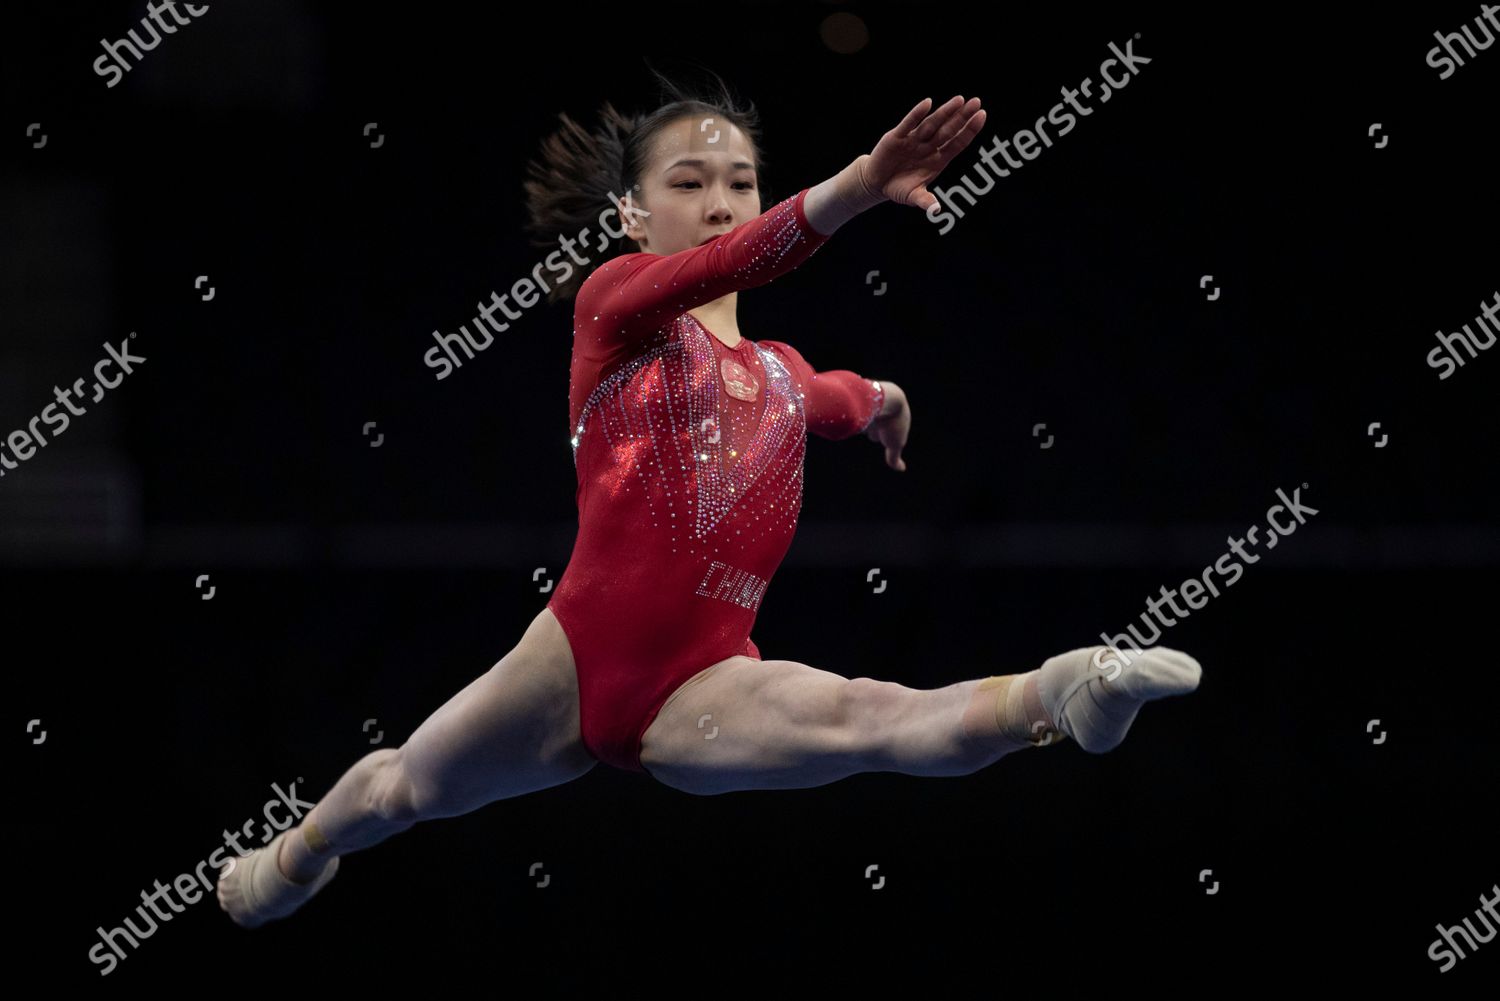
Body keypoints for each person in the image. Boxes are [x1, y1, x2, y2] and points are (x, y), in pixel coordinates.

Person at [218, 68, 1202, 930]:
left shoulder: (779, 369)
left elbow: (837, 397)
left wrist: (888, 404)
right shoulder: (617, 304)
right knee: (401, 786)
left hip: (705, 681)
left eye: (740, 181)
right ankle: (297, 856)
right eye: (689, 183)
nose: (721, 201)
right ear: (633, 217)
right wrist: (861, 184)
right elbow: (742, 262)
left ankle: (1071, 690)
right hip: (566, 659)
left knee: (873, 719)